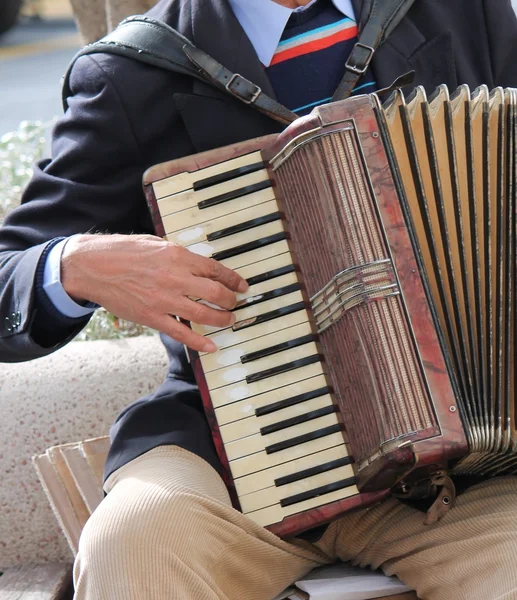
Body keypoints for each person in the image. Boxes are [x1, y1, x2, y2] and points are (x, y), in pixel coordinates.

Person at [1, 0, 517, 598]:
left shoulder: (461, 13)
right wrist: (74, 266)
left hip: (458, 469)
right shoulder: (136, 71)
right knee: (134, 542)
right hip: (230, 453)